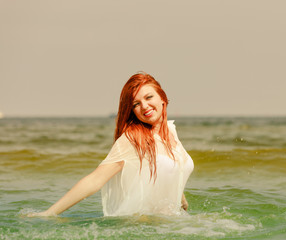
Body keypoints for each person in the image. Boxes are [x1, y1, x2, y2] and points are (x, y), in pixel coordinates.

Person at [29, 72, 194, 217]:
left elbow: (171, 170)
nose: (144, 106)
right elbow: (95, 180)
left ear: (162, 98)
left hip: (171, 223)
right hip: (143, 227)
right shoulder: (132, 139)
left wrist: (181, 200)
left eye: (148, 97)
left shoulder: (171, 131)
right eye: (136, 104)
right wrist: (48, 213)